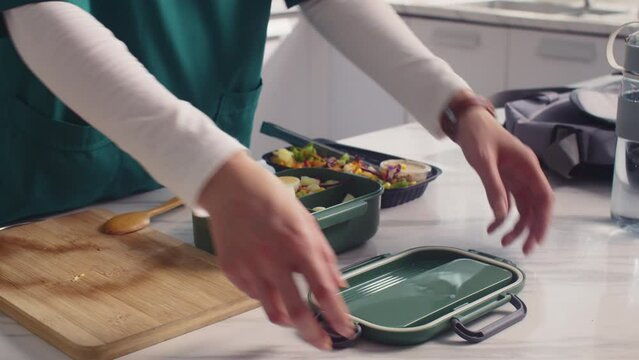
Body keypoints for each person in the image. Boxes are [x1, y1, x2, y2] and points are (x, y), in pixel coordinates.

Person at [0, 0, 553, 350]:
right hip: (38, 202)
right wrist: (211, 168)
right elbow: (41, 10)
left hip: (198, 198)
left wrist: (455, 104)